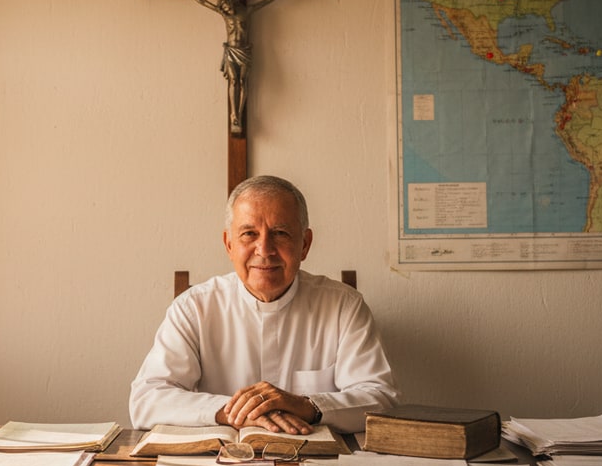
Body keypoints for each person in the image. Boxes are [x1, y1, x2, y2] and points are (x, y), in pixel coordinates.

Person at [129, 175, 400, 435]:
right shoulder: (193, 308)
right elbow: (146, 400)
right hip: (220, 463)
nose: (265, 249)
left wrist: (306, 405)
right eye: (249, 234)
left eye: (280, 233)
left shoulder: (344, 306)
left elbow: (381, 397)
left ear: (304, 245)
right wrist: (231, 411)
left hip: (320, 465)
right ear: (229, 245)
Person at [176, 0, 294, 135]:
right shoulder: (224, 14)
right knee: (232, 80)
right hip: (231, 50)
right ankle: (234, 115)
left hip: (244, 50)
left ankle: (239, 110)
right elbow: (204, 2)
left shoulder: (247, 11)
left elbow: (267, 0)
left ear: (233, 2)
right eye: (224, 8)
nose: (226, 10)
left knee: (242, 80)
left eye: (227, 7)